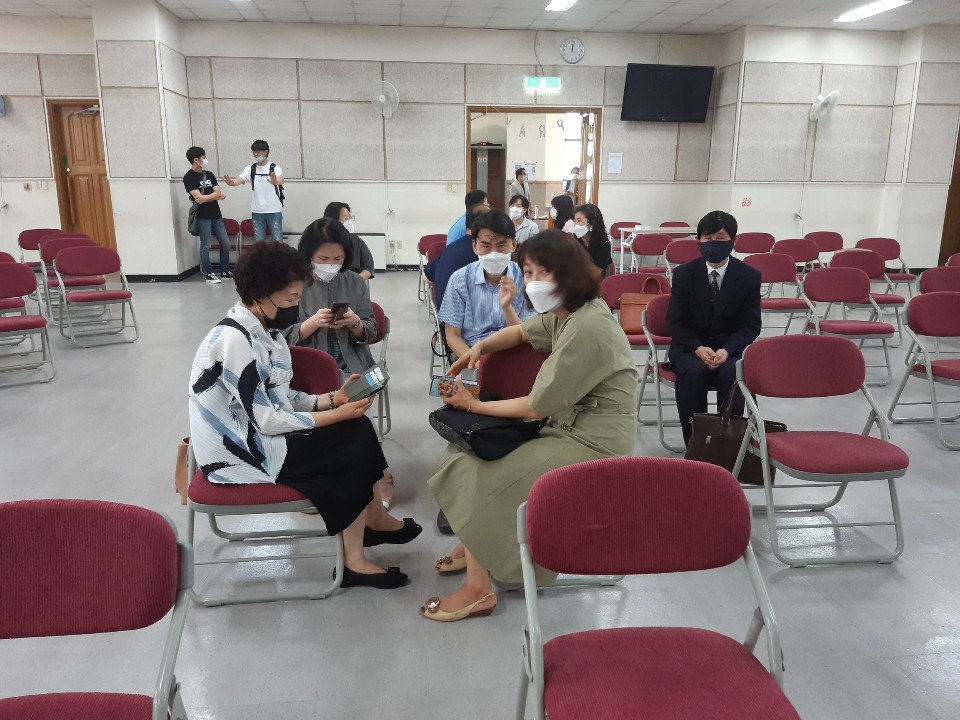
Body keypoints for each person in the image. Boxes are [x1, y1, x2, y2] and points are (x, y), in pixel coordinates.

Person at [421, 230, 639, 622]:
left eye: (544, 272)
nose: (534, 282)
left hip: (594, 442)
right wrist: (480, 347)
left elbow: (536, 406)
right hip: (567, 426)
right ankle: (476, 545)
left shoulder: (587, 326)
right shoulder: (568, 313)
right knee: (466, 451)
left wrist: (472, 404)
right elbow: (523, 331)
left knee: (483, 469)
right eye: (528, 272)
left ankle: (478, 588)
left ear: (569, 273)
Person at [188, 241, 421, 589]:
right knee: (351, 439)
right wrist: (336, 415)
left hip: (258, 436)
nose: (296, 306)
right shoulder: (235, 341)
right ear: (260, 294)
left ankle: (370, 523)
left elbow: (283, 396)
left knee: (357, 429)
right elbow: (267, 420)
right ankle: (356, 557)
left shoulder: (264, 332)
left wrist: (333, 399)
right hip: (239, 452)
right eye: (290, 298)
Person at [282, 217, 395, 506]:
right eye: (323, 259)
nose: (331, 264)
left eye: (337, 259)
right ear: (308, 255)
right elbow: (277, 340)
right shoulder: (292, 285)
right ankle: (352, 475)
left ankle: (367, 474)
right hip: (308, 373)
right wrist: (309, 325)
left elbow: (371, 332)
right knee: (333, 412)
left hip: (355, 364)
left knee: (358, 400)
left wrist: (355, 323)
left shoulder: (355, 282)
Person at [666, 210, 762, 445]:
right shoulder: (683, 274)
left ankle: (726, 445)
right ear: (698, 240)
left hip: (729, 350)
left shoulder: (749, 276)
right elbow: (676, 322)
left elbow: (750, 325)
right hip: (691, 348)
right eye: (707, 238)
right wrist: (698, 348)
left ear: (734, 240)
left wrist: (727, 350)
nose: (713, 244)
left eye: (720, 238)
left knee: (733, 374)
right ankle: (696, 444)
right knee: (692, 372)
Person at [438, 210, 533, 360]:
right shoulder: (459, 280)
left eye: (501, 246)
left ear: (513, 245)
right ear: (475, 246)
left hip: (515, 353)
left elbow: (526, 335)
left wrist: (507, 308)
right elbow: (452, 336)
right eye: (486, 246)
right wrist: (476, 364)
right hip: (471, 352)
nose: (493, 254)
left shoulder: (526, 278)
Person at [425, 203, 488, 315]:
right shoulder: (485, 254)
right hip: (469, 321)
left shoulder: (449, 249)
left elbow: (426, 277)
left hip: (445, 318)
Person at [183, 146, 231, 284]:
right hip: (202, 216)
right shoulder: (188, 177)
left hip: (216, 214)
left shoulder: (209, 174)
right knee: (206, 245)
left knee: (226, 243)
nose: (205, 159)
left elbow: (215, 192)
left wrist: (207, 197)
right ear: (196, 160)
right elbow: (198, 198)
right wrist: (216, 196)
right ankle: (209, 274)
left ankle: (224, 270)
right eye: (203, 157)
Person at [223, 139, 284, 243]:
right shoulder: (250, 168)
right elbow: (239, 180)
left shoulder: (274, 167)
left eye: (258, 152)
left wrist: (275, 181)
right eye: (254, 152)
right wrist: (232, 183)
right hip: (257, 211)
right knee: (258, 243)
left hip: (274, 210)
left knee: (277, 242)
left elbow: (281, 179)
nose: (255, 154)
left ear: (266, 151)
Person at [322, 202, 374, 280]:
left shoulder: (356, 241)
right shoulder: (321, 242)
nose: (350, 222)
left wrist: (356, 280)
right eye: (346, 219)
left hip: (353, 280)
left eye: (350, 218)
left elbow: (368, 267)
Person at [573, 203, 613, 277]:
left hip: (595, 280)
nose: (576, 225)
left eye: (579, 221)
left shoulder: (604, 244)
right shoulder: (573, 240)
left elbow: (598, 272)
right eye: (575, 221)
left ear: (591, 224)